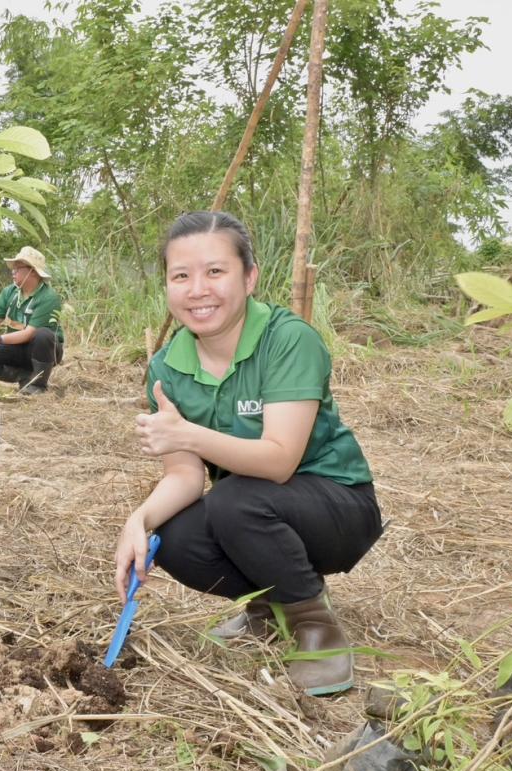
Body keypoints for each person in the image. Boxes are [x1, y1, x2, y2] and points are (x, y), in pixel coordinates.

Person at [114, 211, 382, 697]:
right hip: (256, 509)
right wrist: (139, 520)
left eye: (215, 272)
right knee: (174, 535)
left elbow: (278, 460)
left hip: (338, 508)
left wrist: (187, 434)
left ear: (250, 277)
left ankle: (314, 624)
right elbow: (185, 477)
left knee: (235, 499)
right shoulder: (167, 366)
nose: (198, 289)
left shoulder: (287, 339)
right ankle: (267, 605)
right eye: (181, 276)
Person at [0, 246, 65, 396]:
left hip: (43, 349)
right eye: (13, 268)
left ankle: (37, 384)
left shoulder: (49, 297)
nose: (13, 271)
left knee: (43, 335)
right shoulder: (9, 292)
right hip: (14, 345)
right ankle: (25, 377)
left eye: (18, 268)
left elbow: (29, 334)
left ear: (33, 271)